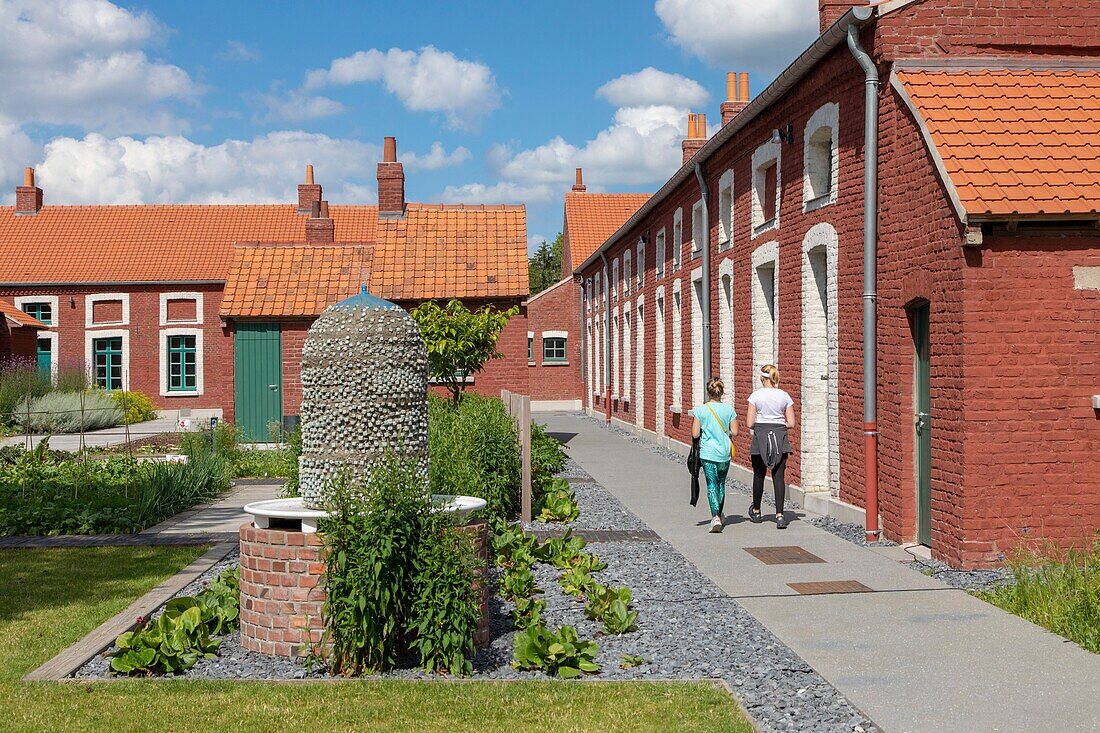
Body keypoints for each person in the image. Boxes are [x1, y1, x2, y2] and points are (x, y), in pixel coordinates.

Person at [746, 364, 795, 529]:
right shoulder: (784, 396)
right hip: (779, 437)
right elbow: (792, 423)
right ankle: (780, 515)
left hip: (760, 437)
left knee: (759, 475)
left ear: (762, 378)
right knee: (778, 476)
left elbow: (750, 422)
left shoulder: (756, 396)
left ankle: (757, 511)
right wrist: (778, 424)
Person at [691, 377, 739, 533]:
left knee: (711, 483)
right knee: (721, 483)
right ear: (721, 392)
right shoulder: (729, 410)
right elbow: (735, 432)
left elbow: (695, 433)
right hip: (724, 452)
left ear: (708, 392)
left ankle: (715, 517)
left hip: (708, 452)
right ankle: (719, 514)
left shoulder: (701, 410)